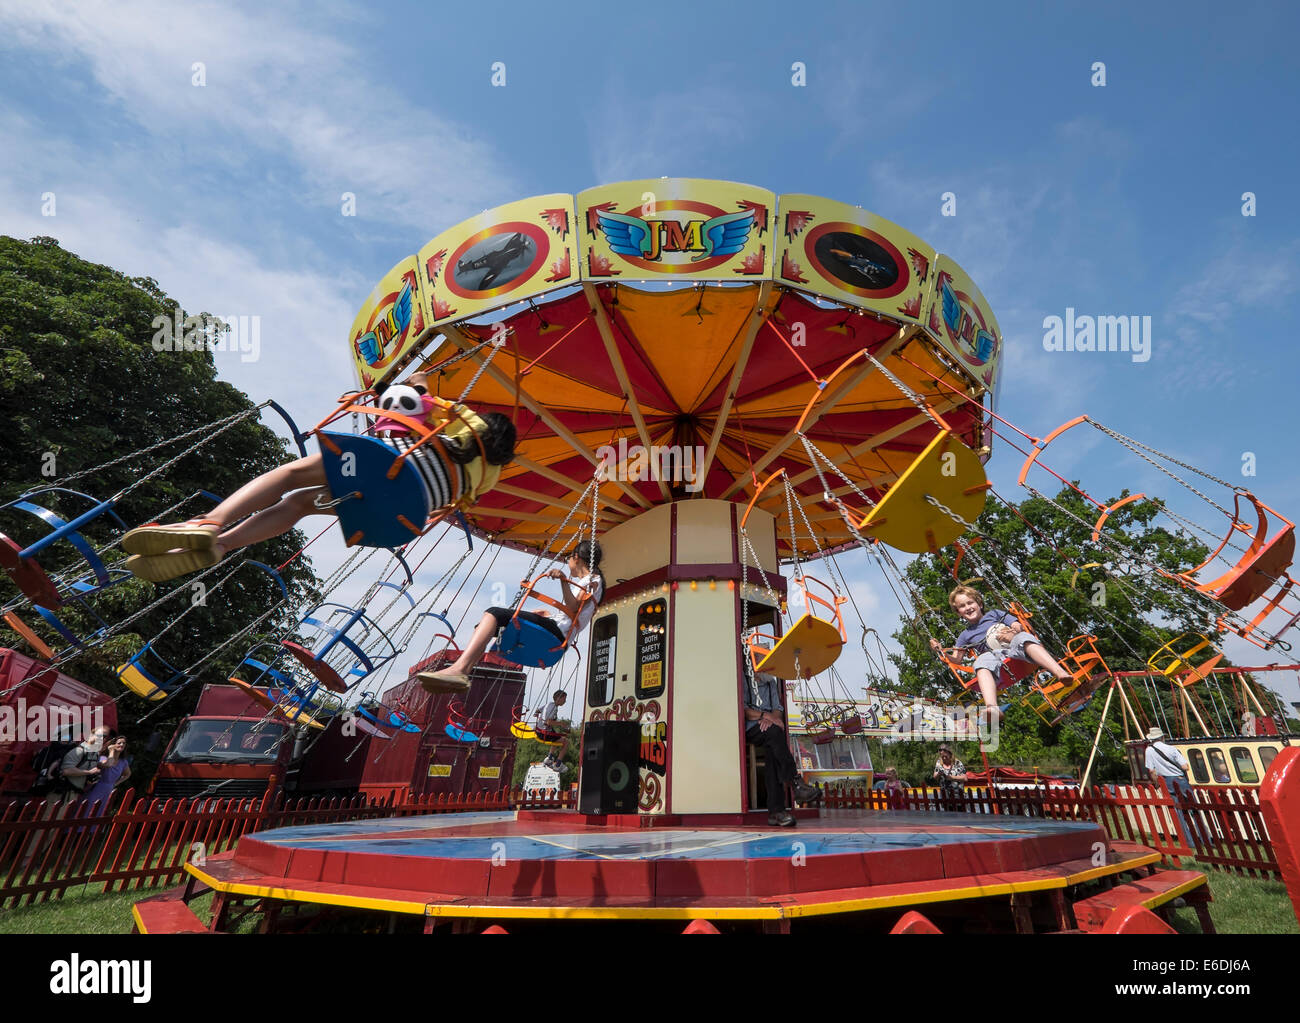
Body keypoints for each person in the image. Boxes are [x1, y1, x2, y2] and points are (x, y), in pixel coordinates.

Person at [120, 371, 517, 582]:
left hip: (387, 466)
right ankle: (222, 546)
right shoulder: (491, 477)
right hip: (397, 513)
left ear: (485, 425)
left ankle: (210, 523)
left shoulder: (466, 423)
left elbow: (414, 400)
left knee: (291, 475)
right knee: (298, 506)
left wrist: (419, 382)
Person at [419, 539, 605, 694]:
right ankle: (463, 672)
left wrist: (563, 580)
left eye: (568, 558)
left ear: (576, 558)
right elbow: (576, 613)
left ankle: (460, 669)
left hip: (558, 634)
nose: (567, 563)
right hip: (558, 630)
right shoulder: (590, 581)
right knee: (484, 625)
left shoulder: (593, 580)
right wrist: (549, 614)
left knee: (493, 613)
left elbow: (573, 608)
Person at [928, 585, 1073, 724]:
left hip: (1015, 647)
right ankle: (992, 707)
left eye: (970, 602)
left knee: (1023, 637)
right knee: (979, 662)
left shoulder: (995, 614)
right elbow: (956, 660)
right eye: (962, 606)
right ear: (959, 612)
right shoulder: (965, 636)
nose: (968, 607)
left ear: (979, 603)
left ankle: (1060, 672)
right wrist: (941, 651)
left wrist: (1013, 632)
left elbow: (1018, 626)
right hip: (995, 660)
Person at [743, 666, 823, 827]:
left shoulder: (770, 682)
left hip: (769, 727)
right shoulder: (744, 680)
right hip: (751, 726)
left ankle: (777, 813)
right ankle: (796, 783)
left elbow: (778, 709)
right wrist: (765, 716)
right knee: (774, 734)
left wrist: (772, 719)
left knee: (773, 746)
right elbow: (744, 710)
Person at [1143, 726, 1202, 844]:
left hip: (1166, 781)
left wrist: (1156, 784)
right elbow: (1185, 767)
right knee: (1193, 809)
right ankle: (1204, 838)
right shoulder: (1172, 749)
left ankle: (1189, 841)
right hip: (1180, 779)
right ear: (1162, 737)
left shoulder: (1149, 750)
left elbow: (1151, 771)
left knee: (1178, 811)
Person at [79, 732, 131, 814]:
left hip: (109, 789)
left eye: (124, 743)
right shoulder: (103, 757)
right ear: (113, 744)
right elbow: (107, 765)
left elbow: (127, 774)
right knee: (88, 809)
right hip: (97, 787)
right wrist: (111, 751)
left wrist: (116, 783)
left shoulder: (123, 762)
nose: (122, 745)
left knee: (99, 812)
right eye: (119, 743)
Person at [534, 690, 572, 773]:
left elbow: (537, 711)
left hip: (539, 731)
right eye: (564, 699)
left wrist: (537, 715)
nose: (565, 701)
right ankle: (558, 765)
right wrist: (561, 724)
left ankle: (549, 758)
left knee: (556, 736)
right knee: (565, 742)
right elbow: (548, 722)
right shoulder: (553, 707)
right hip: (544, 733)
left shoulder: (548, 704)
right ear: (558, 698)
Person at [932, 744, 967, 808]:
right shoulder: (939, 762)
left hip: (958, 795)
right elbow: (934, 776)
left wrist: (952, 778)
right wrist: (939, 773)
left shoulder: (957, 763)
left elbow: (965, 778)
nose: (944, 758)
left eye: (945, 756)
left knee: (960, 814)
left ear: (949, 753)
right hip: (945, 796)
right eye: (942, 757)